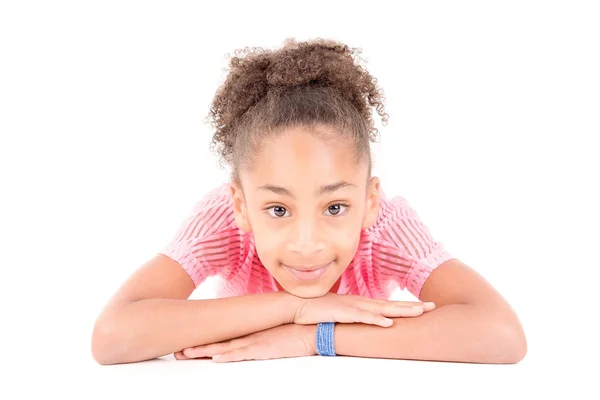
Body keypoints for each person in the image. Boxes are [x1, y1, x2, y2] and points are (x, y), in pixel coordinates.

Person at [91, 38, 527, 365]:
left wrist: (315, 336)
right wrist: (296, 306)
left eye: (335, 207)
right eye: (278, 210)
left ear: (369, 201)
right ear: (241, 207)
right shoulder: (224, 222)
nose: (307, 243)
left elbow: (501, 334)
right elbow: (113, 337)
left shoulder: (384, 229)